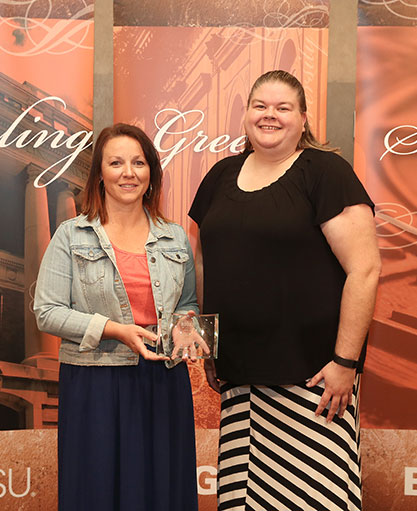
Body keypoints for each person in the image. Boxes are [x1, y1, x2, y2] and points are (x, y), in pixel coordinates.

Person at [189, 70, 381, 511]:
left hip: (314, 381)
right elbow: (203, 264)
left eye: (283, 107)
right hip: (240, 382)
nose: (269, 115)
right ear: (245, 114)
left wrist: (345, 363)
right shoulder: (220, 175)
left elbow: (365, 269)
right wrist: (211, 346)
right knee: (243, 501)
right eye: (260, 106)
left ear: (303, 118)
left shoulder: (326, 172)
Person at [34, 123, 199, 511]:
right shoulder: (70, 235)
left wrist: (185, 326)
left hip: (163, 381)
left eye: (139, 163)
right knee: (96, 492)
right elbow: (47, 311)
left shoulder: (176, 237)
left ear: (151, 172)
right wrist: (113, 330)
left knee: (161, 492)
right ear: (99, 174)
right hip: (94, 384)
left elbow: (187, 303)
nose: (129, 173)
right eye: (116, 163)